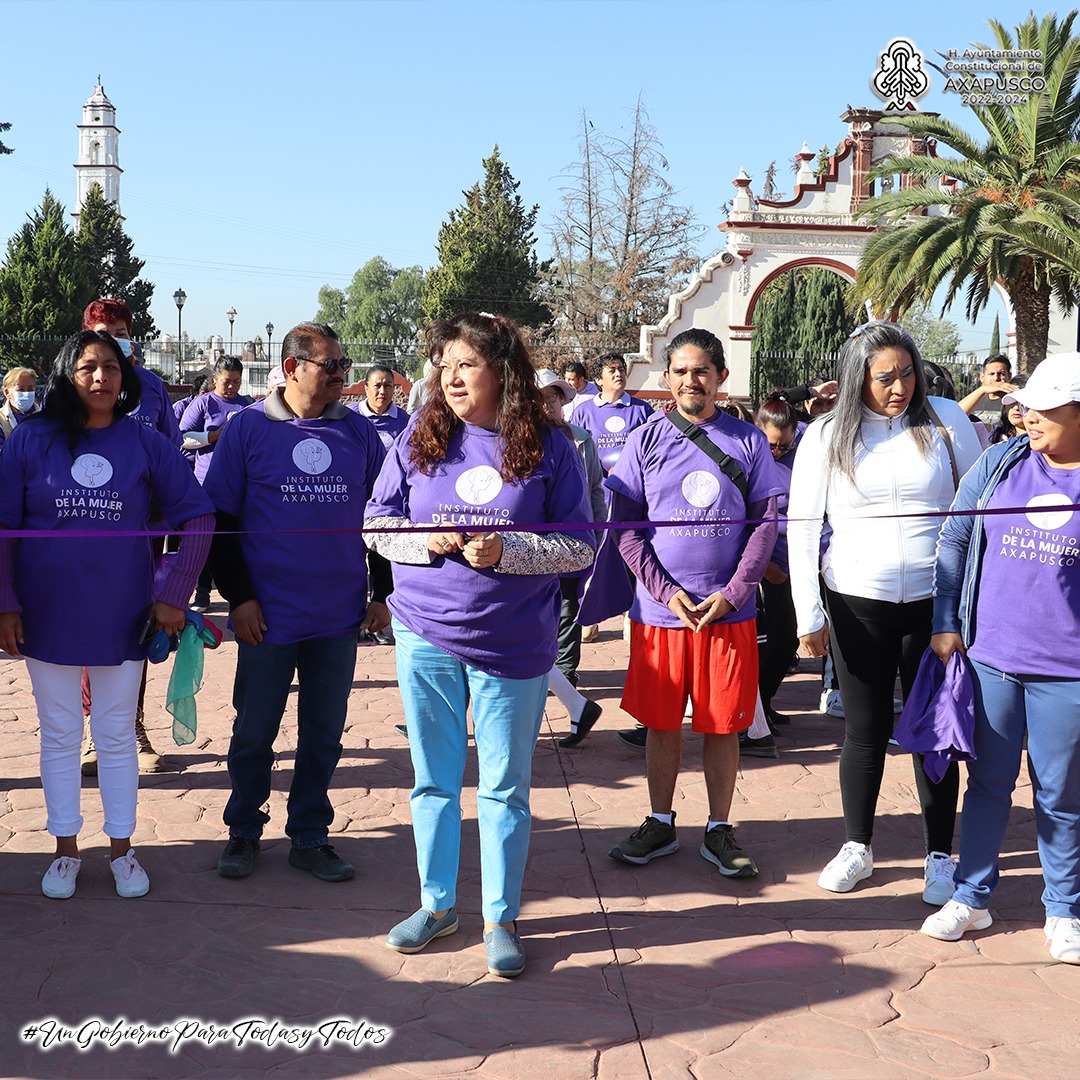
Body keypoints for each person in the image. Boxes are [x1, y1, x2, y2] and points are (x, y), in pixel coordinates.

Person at [364, 312, 594, 978]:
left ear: (503, 371)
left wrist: (509, 549)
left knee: (504, 789)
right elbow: (376, 522)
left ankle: (501, 917)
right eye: (444, 362)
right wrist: (419, 542)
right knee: (432, 782)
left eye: (467, 362)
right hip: (424, 633)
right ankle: (437, 908)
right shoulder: (420, 432)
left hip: (513, 644)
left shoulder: (551, 446)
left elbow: (580, 545)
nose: (452, 375)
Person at [0, 331, 213, 899]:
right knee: (61, 734)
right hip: (44, 615)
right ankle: (65, 851)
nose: (102, 378)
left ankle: (123, 849)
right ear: (67, 375)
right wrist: (5, 603)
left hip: (125, 612)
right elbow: (1, 528)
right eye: (89, 367)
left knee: (116, 734)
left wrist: (176, 591)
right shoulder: (28, 442)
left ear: (126, 378)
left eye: (112, 368)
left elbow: (198, 514)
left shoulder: (144, 442)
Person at [788, 321, 983, 900]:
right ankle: (857, 846)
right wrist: (808, 614)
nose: (899, 387)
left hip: (934, 606)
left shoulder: (947, 421)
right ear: (856, 379)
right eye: (884, 378)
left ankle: (940, 857)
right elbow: (802, 527)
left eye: (907, 373)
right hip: (855, 601)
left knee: (934, 734)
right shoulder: (825, 435)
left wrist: (966, 607)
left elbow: (974, 512)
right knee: (864, 731)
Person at [205, 322, 390, 884]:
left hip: (337, 615)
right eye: (331, 366)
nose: (343, 375)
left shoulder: (358, 434)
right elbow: (222, 522)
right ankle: (243, 830)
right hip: (266, 615)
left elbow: (381, 516)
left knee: (324, 733)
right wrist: (239, 598)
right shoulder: (247, 430)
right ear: (292, 368)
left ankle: (310, 834)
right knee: (254, 730)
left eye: (344, 365)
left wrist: (381, 592)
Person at [920, 353, 1080, 964]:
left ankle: (1063, 907)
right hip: (993, 657)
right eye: (1028, 404)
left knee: (1060, 792)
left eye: (1047, 407)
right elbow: (956, 536)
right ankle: (972, 895)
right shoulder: (999, 462)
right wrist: (945, 622)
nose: (1029, 414)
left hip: (1066, 670)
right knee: (987, 783)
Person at [606, 327, 781, 877]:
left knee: (723, 725)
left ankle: (718, 828)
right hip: (662, 614)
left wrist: (733, 593)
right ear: (665, 379)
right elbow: (626, 530)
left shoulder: (749, 442)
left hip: (728, 615)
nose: (690, 381)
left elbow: (765, 524)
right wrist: (668, 591)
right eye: (680, 371)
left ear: (721, 378)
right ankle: (659, 821)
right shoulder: (644, 441)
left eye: (701, 371)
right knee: (662, 724)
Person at [81, 298, 181, 774]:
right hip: (85, 531)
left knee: (136, 627)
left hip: (144, 533)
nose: (113, 337)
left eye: (119, 330)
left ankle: (131, 727)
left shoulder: (155, 390)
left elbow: (172, 459)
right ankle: (93, 734)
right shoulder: (71, 391)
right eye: (103, 330)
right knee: (84, 626)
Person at [536, 368, 606, 747]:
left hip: (567, 545)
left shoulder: (581, 440)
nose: (549, 402)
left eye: (555, 395)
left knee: (561, 616)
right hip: (526, 547)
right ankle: (577, 705)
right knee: (527, 631)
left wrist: (594, 538)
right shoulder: (520, 438)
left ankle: (573, 694)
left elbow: (595, 489)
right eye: (542, 395)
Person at [743, 391, 805, 757]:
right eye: (772, 445)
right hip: (762, 565)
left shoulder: (804, 458)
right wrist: (763, 566)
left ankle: (764, 702)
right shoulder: (749, 459)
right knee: (769, 644)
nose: (778, 452)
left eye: (785, 445)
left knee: (788, 644)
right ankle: (754, 714)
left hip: (795, 562)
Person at [180, 355, 249, 612]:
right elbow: (182, 436)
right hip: (205, 484)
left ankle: (239, 594)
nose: (231, 387)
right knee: (204, 539)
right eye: (226, 382)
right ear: (214, 380)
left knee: (236, 540)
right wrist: (213, 436)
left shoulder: (247, 406)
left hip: (239, 486)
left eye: (237, 382)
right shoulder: (203, 403)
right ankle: (202, 591)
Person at [568, 353, 653, 475]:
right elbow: (572, 452)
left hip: (632, 488)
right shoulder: (583, 413)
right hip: (595, 489)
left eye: (621, 370)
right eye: (612, 371)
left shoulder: (642, 410)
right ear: (598, 379)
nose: (618, 374)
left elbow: (653, 449)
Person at [354, 363, 409, 449]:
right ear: (366, 389)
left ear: (393, 389)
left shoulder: (404, 421)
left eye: (387, 386)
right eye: (377, 386)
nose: (382, 391)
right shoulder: (351, 415)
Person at [958, 354, 1016, 424]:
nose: (996, 378)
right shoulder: (974, 400)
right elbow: (955, 415)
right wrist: (982, 389)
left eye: (1001, 374)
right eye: (991, 374)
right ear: (982, 377)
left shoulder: (1013, 401)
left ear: (1009, 376)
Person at [0, 366, 39, 438]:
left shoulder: (45, 416)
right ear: (7, 392)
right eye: (21, 390)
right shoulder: (1, 420)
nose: (26, 393)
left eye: (30, 389)